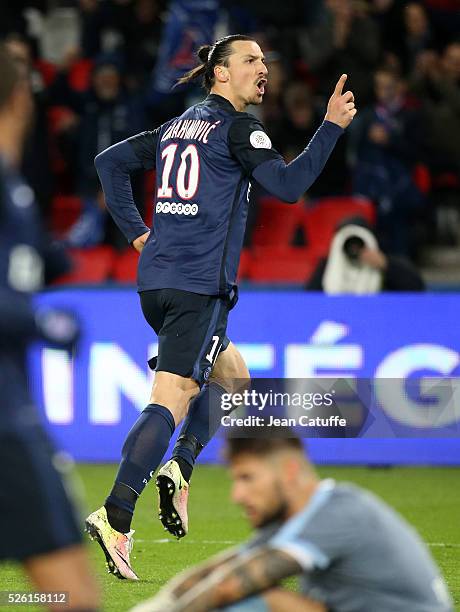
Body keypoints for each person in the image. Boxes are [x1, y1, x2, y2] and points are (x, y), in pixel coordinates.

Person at [86, 34, 356, 580]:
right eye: (250, 61)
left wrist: (138, 234)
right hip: (196, 287)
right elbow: (288, 185)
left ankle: (179, 468)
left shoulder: (179, 125)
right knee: (175, 396)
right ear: (219, 74)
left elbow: (110, 162)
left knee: (233, 380)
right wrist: (330, 127)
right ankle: (116, 516)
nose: (263, 69)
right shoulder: (239, 128)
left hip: (156, 283)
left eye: (265, 61)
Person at [131, 433, 454, 612]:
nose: (237, 495)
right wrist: (156, 605)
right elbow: (221, 570)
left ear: (287, 472)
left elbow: (231, 584)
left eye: (247, 478)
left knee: (270, 602)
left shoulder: (341, 513)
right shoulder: (294, 519)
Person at [0, 45, 99, 611]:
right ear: (20, 102)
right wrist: (41, 323)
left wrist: (48, 256)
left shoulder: (13, 187)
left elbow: (30, 258)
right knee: (73, 596)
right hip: (6, 423)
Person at [306, 217, 425, 293]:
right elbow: (309, 299)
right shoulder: (326, 266)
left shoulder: (383, 265)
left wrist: (386, 264)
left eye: (358, 244)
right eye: (349, 243)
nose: (354, 249)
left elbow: (417, 287)